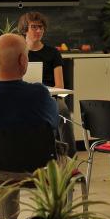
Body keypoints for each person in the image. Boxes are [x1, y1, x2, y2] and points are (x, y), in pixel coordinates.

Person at [0, 33, 59, 219]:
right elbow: (53, 124)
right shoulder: (39, 93)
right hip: (39, 171)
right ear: (23, 60)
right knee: (44, 151)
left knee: (7, 156)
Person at [18, 11, 76, 156]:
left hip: (50, 96)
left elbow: (60, 85)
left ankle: (71, 157)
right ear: (25, 29)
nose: (38, 31)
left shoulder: (53, 53)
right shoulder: (18, 52)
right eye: (34, 27)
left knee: (62, 110)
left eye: (41, 27)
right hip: (23, 96)